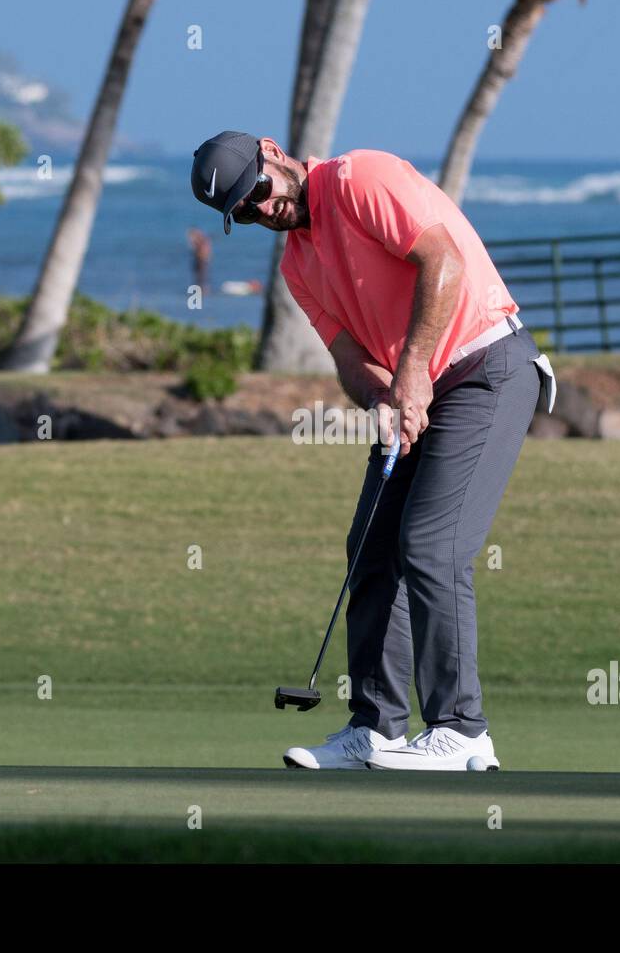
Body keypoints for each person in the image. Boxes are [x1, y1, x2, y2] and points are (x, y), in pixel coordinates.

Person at [190, 130, 556, 771]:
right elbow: (349, 358)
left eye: (260, 191)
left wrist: (412, 371)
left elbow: (443, 261)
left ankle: (463, 731)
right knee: (371, 547)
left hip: (486, 368)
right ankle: (377, 729)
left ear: (274, 153)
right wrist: (383, 398)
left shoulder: (359, 178)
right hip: (423, 387)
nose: (261, 209)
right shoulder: (296, 265)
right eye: (242, 212)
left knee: (432, 546)